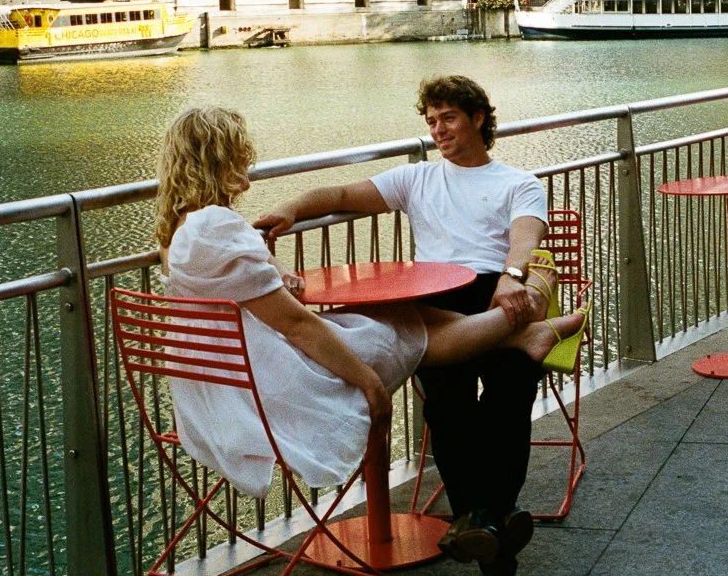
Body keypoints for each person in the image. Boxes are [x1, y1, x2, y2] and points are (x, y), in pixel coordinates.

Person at [156, 107, 581, 503]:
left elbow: (248, 267)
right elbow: (298, 326)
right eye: (239, 158)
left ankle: (525, 337)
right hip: (274, 383)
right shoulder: (214, 225)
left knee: (400, 320)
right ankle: (528, 328)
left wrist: (274, 264)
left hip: (231, 376)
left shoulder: (182, 228)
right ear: (219, 160)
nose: (246, 169)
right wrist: (369, 385)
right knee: (403, 332)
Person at [256, 74, 554, 576]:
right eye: (431, 121)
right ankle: (489, 525)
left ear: (479, 118)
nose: (438, 130)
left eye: (449, 118)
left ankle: (477, 522)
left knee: (511, 387)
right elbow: (344, 193)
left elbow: (527, 236)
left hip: (490, 291)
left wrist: (512, 276)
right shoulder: (417, 179)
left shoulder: (517, 182)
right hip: (434, 297)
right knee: (445, 400)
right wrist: (291, 207)